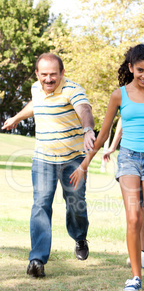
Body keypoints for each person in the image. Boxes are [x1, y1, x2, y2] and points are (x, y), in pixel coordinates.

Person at [70, 44, 144, 291]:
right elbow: (103, 134)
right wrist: (85, 164)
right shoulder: (119, 95)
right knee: (133, 218)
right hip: (127, 158)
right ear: (131, 68)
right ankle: (136, 277)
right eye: (140, 70)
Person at [1, 53, 95, 278]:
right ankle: (37, 259)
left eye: (54, 74)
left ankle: (80, 237)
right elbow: (36, 104)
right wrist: (15, 118)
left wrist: (88, 129)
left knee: (75, 203)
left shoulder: (72, 89)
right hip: (43, 158)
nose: (49, 79)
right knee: (40, 204)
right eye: (44, 74)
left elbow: (85, 110)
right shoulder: (36, 87)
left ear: (62, 73)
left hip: (73, 159)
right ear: (37, 74)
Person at [102, 117, 144, 269]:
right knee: (138, 208)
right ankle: (141, 252)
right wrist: (113, 146)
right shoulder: (130, 95)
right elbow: (124, 119)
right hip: (132, 158)